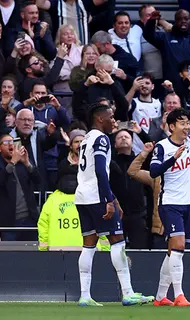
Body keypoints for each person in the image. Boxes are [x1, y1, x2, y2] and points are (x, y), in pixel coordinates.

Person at [74, 103, 153, 306]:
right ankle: (128, 293)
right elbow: (101, 170)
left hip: (82, 196)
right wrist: (109, 199)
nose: (113, 120)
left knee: (88, 245)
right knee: (117, 241)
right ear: (100, 119)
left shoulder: (86, 139)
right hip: (97, 197)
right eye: (110, 116)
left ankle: (84, 296)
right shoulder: (101, 139)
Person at [149, 107, 190, 306]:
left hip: (188, 203)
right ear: (171, 126)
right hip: (170, 203)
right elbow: (153, 171)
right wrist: (173, 158)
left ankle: (160, 297)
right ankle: (179, 294)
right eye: (182, 123)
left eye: (188, 123)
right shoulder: (161, 147)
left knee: (173, 251)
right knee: (178, 246)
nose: (187, 127)